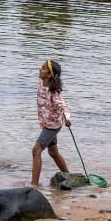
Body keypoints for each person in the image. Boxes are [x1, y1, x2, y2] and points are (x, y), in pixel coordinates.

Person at [32, 58, 74, 187]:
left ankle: (34, 185)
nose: (40, 69)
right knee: (53, 152)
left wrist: (67, 118)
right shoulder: (42, 83)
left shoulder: (53, 92)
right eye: (42, 66)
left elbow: (63, 106)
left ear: (49, 74)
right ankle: (69, 176)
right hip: (47, 123)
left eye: (43, 68)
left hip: (52, 126)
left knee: (36, 150)